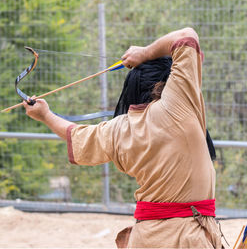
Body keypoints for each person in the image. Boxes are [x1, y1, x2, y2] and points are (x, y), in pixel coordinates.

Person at [23, 27, 223, 248]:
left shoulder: (118, 129)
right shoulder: (177, 105)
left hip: (145, 238)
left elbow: (74, 134)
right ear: (169, 82)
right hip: (187, 238)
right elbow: (187, 35)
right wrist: (145, 53)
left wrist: (45, 115)